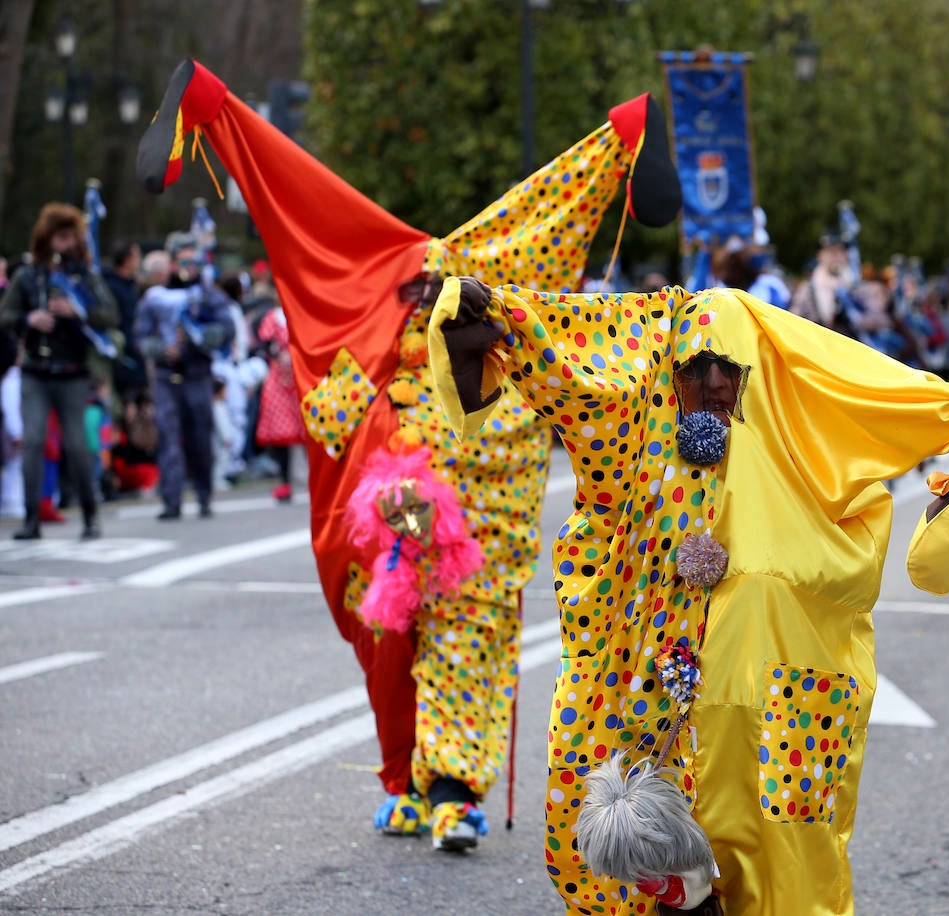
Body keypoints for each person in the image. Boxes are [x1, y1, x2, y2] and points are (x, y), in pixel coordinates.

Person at [135, 58, 680, 847]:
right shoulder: (483, 325)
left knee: (324, 241)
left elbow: (326, 312)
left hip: (437, 487)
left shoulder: (420, 317)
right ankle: (424, 783)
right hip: (431, 490)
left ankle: (440, 785)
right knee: (426, 632)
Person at [430, 276, 949, 915]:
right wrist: (491, 318)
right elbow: (570, 365)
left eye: (733, 368)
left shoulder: (804, 417)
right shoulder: (634, 435)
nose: (718, 384)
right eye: (699, 368)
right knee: (647, 858)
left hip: (789, 700)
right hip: (663, 698)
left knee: (789, 873)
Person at [0, 203, 118, 540]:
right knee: (33, 441)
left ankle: (90, 516)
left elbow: (110, 315)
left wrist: (76, 310)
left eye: (69, 238)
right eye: (58, 237)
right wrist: (29, 319)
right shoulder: (28, 275)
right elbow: (4, 316)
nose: (63, 245)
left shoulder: (85, 276)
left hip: (73, 372)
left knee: (78, 445)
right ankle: (31, 518)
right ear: (46, 238)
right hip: (36, 371)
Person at [133, 243, 236, 520]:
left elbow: (227, 328)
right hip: (167, 376)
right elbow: (141, 336)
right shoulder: (155, 297)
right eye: (182, 262)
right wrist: (160, 349)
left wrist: (196, 337)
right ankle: (171, 500)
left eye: (193, 262)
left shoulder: (206, 295)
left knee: (200, 438)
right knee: (168, 438)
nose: (186, 268)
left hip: (197, 375)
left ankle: (204, 495)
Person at [253, 302, 305, 503]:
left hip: (301, 376)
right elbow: (264, 343)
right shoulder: (272, 317)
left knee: (311, 429)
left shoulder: (301, 311)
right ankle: (285, 481)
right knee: (280, 432)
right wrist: (278, 355)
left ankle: (316, 480)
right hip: (279, 377)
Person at [102, 242, 145, 398]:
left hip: (132, 352)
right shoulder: (112, 288)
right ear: (127, 260)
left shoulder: (131, 287)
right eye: (137, 256)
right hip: (120, 355)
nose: (139, 260)